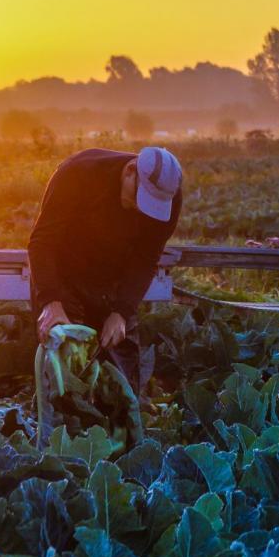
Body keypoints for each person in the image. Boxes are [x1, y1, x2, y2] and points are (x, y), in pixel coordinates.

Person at [28, 146, 183, 430]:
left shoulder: (169, 194)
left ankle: (120, 449)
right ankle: (57, 445)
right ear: (129, 171)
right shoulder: (78, 173)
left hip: (113, 282)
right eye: (140, 199)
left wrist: (122, 312)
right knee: (63, 366)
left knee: (122, 372)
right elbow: (42, 242)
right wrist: (50, 301)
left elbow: (146, 258)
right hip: (64, 277)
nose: (141, 210)